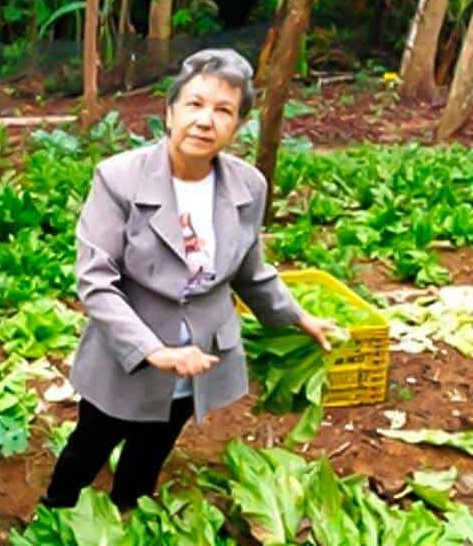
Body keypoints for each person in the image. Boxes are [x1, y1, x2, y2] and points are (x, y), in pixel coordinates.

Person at [43, 49, 338, 511]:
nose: (205, 120)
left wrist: (299, 318)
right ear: (170, 111)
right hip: (128, 355)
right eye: (195, 104)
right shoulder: (119, 179)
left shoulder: (248, 186)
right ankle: (57, 513)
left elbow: (250, 270)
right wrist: (152, 350)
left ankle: (128, 515)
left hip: (200, 356)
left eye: (223, 110)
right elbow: (97, 281)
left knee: (152, 450)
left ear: (238, 126)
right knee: (91, 445)